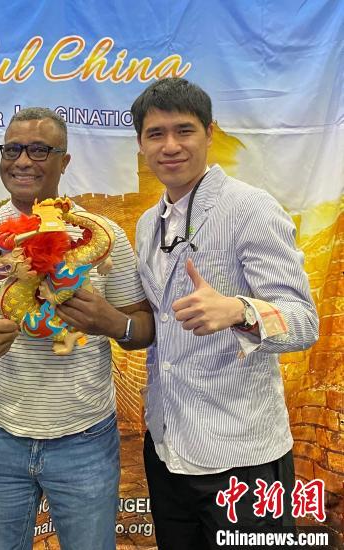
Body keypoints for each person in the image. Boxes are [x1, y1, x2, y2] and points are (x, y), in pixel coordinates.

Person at [0, 107, 155, 550]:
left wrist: (112, 322)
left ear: (64, 161)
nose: (22, 161)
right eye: (12, 149)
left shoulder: (103, 236)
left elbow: (144, 328)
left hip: (85, 440)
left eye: (39, 150)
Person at [131, 78, 319, 549]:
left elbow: (303, 321)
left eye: (184, 130)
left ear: (210, 133)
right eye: (156, 134)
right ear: (141, 144)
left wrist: (239, 309)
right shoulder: (147, 223)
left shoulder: (249, 207)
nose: (170, 146)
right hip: (168, 448)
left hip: (242, 455)